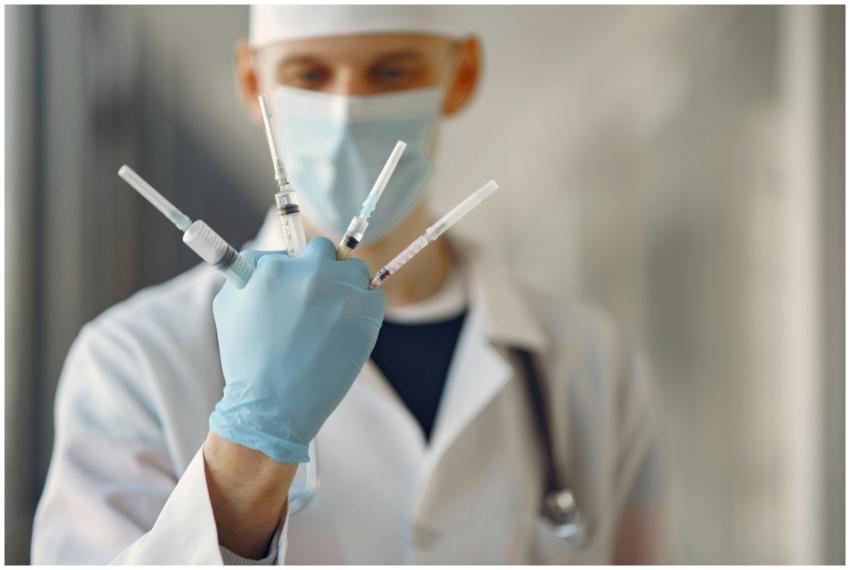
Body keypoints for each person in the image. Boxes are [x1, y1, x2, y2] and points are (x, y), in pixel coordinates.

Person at [32, 5, 668, 564]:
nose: (346, 110)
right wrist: (250, 443)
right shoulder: (134, 359)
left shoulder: (588, 360)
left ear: (462, 73)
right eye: (309, 74)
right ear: (253, 82)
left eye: (392, 73)